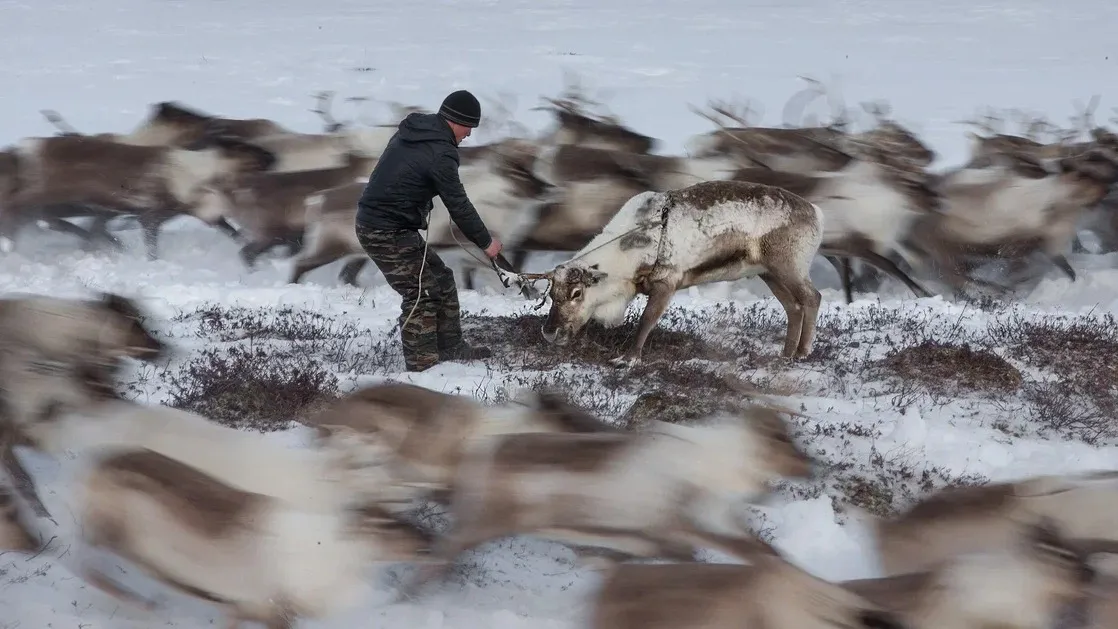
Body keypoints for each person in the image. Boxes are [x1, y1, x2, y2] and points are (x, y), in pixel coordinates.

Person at [355, 89, 504, 373]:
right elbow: (458, 204)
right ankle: (423, 367)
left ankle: (451, 346)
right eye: (470, 126)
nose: (470, 134)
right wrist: (485, 243)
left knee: (441, 278)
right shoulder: (441, 152)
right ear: (457, 121)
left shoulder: (414, 132)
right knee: (421, 290)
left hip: (389, 225)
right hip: (384, 230)